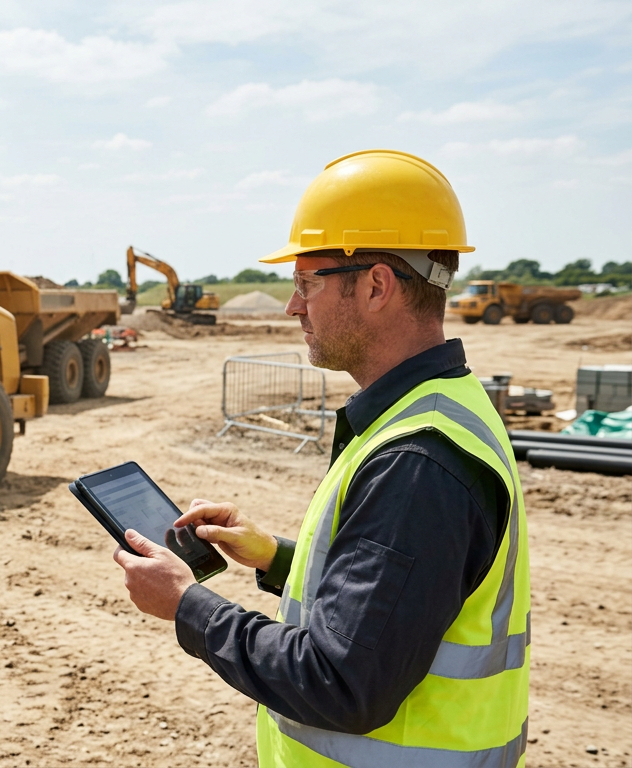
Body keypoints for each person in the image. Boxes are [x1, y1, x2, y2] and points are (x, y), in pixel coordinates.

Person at [113, 150, 529, 767]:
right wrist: (276, 555)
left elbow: (341, 682)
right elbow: (401, 600)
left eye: (308, 281)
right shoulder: (436, 410)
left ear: (376, 284)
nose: (292, 305)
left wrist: (187, 605)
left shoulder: (419, 460)